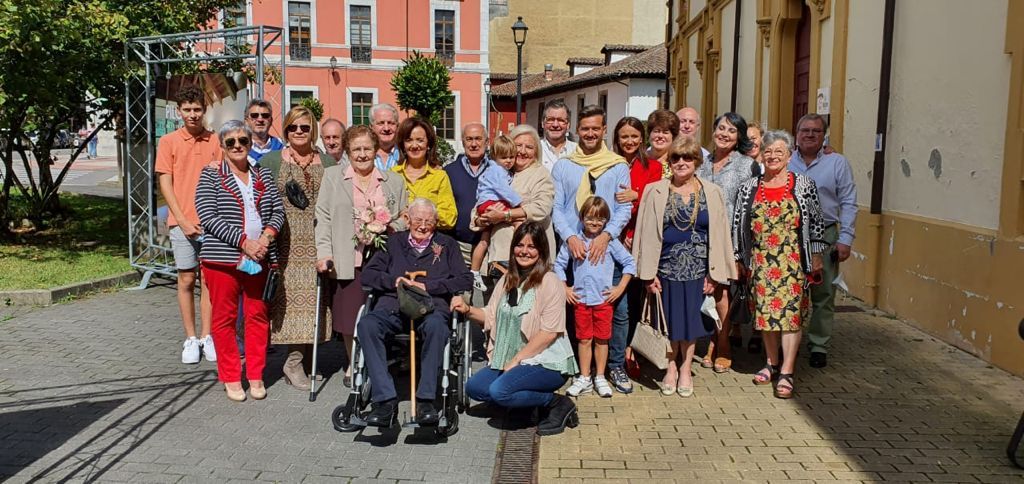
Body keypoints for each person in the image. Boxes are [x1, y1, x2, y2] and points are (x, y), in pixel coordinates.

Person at [451, 221, 580, 436]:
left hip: (545, 361)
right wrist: (467, 309)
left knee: (499, 392)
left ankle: (557, 402)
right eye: (520, 245)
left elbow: (549, 333)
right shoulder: (507, 279)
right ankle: (525, 403)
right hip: (511, 359)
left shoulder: (550, 282)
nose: (524, 251)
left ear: (541, 251)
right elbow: (490, 316)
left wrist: (517, 359)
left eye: (531, 247)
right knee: (474, 388)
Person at [632, 136, 736, 397]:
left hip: (699, 269)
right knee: (668, 322)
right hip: (664, 267)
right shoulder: (654, 190)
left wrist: (716, 275)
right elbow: (644, 232)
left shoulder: (712, 192)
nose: (681, 162)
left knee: (690, 323)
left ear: (696, 161)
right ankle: (670, 367)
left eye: (687, 157)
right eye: (676, 157)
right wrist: (646, 273)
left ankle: (686, 368)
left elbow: (721, 234)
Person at [358, 198, 474, 426]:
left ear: (436, 222)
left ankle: (426, 401)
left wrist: (429, 286)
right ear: (407, 220)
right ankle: (385, 400)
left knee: (437, 328)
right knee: (367, 325)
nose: (422, 226)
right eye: (418, 220)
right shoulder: (392, 242)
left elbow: (465, 279)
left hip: (431, 308)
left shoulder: (447, 244)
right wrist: (394, 281)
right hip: (392, 306)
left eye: (428, 221)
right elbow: (368, 275)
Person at [194, 120, 285, 401]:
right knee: (224, 319)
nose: (237, 146)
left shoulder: (262, 175)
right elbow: (208, 216)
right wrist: (244, 242)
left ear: (249, 144)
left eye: (242, 141)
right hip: (223, 260)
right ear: (222, 146)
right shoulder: (210, 176)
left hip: (259, 258)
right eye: (230, 142)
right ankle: (232, 377)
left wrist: (266, 239)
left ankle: (255, 374)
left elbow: (277, 212)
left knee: (257, 316)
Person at [734, 129, 827, 398]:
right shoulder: (749, 187)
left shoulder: (804, 185)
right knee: (765, 316)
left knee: (790, 317)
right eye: (768, 151)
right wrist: (740, 257)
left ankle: (786, 370)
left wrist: (817, 254)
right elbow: (739, 225)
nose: (773, 156)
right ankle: (770, 363)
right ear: (762, 155)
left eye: (779, 152)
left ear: (789, 156)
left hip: (793, 260)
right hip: (761, 260)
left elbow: (817, 223)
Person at [315, 125, 407, 387]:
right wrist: (324, 253)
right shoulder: (333, 177)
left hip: (384, 257)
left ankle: (376, 361)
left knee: (380, 312)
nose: (363, 154)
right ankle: (353, 361)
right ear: (347, 150)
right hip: (348, 257)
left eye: (368, 148)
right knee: (349, 315)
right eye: (357, 149)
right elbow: (323, 218)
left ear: (376, 149)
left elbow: (404, 218)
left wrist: (386, 226)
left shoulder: (393, 181)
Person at [550, 105, 633, 394]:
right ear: (577, 129)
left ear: (603, 129)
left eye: (595, 128)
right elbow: (557, 208)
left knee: (617, 311)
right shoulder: (564, 165)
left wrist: (607, 235)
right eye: (585, 128)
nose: (590, 133)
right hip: (575, 251)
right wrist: (571, 237)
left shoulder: (618, 165)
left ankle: (614, 367)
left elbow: (625, 207)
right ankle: (582, 371)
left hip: (607, 249)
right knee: (578, 310)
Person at [258, 105, 338, 391]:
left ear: (313, 130)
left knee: (314, 302)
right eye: (293, 127)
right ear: (286, 130)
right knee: (289, 304)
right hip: (285, 241)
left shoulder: (328, 161)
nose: (299, 132)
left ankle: (301, 359)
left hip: (318, 240)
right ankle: (292, 361)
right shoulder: (271, 161)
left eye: (305, 127)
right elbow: (260, 200)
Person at [155, 85, 221, 365]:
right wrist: (180, 219)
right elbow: (164, 182)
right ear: (179, 111)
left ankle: (208, 337)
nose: (192, 114)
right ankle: (190, 338)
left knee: (209, 280)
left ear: (204, 110)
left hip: (210, 223)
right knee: (186, 278)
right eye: (187, 110)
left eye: (197, 109)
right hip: (180, 222)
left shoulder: (215, 141)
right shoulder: (169, 141)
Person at [788, 114, 857, 369]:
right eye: (804, 130)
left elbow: (849, 201)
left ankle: (818, 344)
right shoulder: (785, 160)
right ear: (796, 134)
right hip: (789, 235)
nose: (809, 135)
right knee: (787, 291)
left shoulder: (837, 163)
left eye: (816, 131)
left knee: (823, 292)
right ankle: (784, 342)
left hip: (826, 234)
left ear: (823, 135)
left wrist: (845, 238)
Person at [696, 112, 757, 373]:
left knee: (722, 292)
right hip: (699, 238)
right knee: (704, 291)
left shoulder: (747, 166)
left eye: (732, 131)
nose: (724, 134)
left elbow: (750, 208)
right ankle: (711, 340)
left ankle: (722, 344)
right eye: (721, 128)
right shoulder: (701, 163)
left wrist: (743, 252)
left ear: (739, 137)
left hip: (729, 240)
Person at [556, 196, 635, 398]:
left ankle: (600, 375)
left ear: (606, 221)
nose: (594, 223)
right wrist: (564, 288)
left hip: (603, 300)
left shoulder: (610, 242)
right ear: (582, 218)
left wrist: (619, 288)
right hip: (581, 300)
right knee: (584, 339)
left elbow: (629, 264)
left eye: (600, 219)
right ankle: (584, 377)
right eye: (590, 218)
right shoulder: (574, 241)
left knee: (602, 339)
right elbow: (558, 265)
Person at [473, 125, 556, 289]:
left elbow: (541, 208)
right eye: (518, 146)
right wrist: (481, 219)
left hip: (531, 258)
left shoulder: (541, 174)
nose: (522, 151)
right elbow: (478, 205)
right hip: (497, 257)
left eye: (529, 147)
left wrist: (505, 215)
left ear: (536, 151)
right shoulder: (498, 171)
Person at [612, 116, 663, 377]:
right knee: (615, 301)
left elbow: (658, 201)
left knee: (635, 302)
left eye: (634, 136)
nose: (629, 141)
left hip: (641, 242)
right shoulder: (610, 163)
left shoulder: (653, 167)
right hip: (614, 241)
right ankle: (615, 354)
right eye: (624, 136)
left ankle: (632, 351)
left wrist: (637, 195)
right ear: (616, 139)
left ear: (641, 138)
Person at [469, 135, 521, 289]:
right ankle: (517, 248)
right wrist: (518, 202)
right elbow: (503, 189)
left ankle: (474, 271)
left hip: (485, 204)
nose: (509, 161)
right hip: (493, 203)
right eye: (504, 157)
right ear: (495, 157)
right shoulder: (497, 171)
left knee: (484, 240)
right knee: (518, 219)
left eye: (512, 157)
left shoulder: (492, 170)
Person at [392, 117, 457, 230]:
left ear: (428, 144)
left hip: (429, 241)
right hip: (398, 240)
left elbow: (449, 218)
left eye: (420, 140)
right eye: (409, 140)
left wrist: (421, 217)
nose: (414, 145)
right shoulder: (392, 175)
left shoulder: (439, 176)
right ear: (402, 145)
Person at [443, 122, 490, 275]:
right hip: (459, 246)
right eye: (469, 139)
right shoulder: (449, 172)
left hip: (488, 244)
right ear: (463, 142)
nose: (474, 144)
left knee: (486, 296)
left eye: (478, 139)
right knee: (461, 294)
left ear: (487, 142)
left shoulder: (497, 170)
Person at [539, 100, 577, 172]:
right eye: (550, 119)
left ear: (568, 125)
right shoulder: (535, 150)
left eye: (560, 120)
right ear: (542, 123)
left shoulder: (577, 150)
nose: (555, 125)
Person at [245, 99, 285, 165]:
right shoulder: (240, 147)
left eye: (265, 116)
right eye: (254, 115)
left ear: (271, 121)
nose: (260, 119)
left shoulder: (281, 147)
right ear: (246, 121)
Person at [644, 109, 678, 179]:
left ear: (673, 136)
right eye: (656, 131)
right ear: (649, 134)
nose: (660, 136)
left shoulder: (677, 162)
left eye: (665, 132)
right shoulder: (640, 160)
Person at [371, 103, 401, 172]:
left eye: (391, 123)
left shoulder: (405, 154)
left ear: (397, 126)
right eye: (381, 123)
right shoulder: (364, 154)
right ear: (371, 127)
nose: (386, 128)